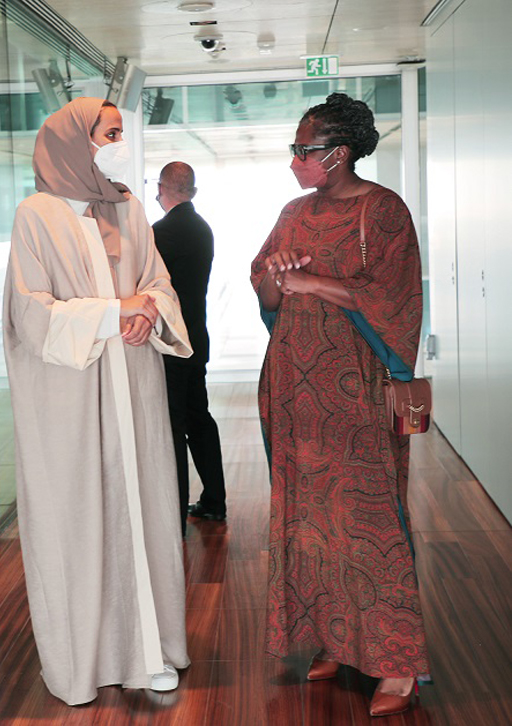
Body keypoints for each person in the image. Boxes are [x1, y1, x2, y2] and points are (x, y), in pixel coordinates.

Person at [3, 97, 193, 706]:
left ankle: (151, 650)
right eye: (110, 134)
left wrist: (150, 314)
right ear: (74, 141)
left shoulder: (129, 208)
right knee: (77, 520)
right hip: (71, 399)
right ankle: (81, 663)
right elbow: (29, 312)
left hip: (132, 387)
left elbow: (158, 284)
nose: (120, 144)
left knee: (142, 511)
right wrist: (116, 314)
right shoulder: (36, 215)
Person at [250, 93, 428, 717]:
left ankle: (397, 664)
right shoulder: (293, 211)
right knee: (307, 521)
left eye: (305, 151)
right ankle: (331, 640)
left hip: (355, 389)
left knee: (370, 521)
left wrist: (315, 282)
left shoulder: (382, 212)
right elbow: (265, 288)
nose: (295, 160)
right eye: (295, 150)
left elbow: (397, 295)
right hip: (294, 388)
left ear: (340, 154)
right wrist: (275, 272)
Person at [152, 162, 227, 533]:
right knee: (199, 419)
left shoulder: (160, 233)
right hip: (197, 337)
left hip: (171, 342)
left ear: (161, 188)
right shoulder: (202, 228)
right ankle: (215, 500)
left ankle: (174, 514)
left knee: (173, 425)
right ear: (192, 191)